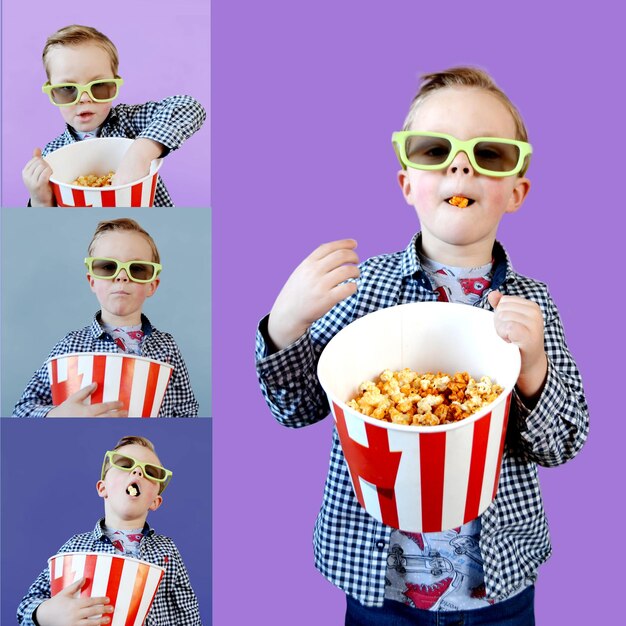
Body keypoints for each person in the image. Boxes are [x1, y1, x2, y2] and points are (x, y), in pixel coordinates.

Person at [255, 67, 589, 624]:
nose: (461, 164)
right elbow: (297, 410)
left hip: (498, 587)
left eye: (491, 154)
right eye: (435, 150)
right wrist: (283, 327)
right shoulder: (360, 290)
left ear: (517, 191)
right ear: (407, 183)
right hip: (378, 584)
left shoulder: (533, 304)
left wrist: (534, 370)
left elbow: (563, 443)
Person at [13, 218, 198, 417]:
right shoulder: (70, 346)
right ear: (92, 281)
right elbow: (23, 410)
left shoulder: (167, 346)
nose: (121, 276)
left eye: (137, 269)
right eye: (108, 267)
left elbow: (187, 411)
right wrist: (58, 415)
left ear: (152, 285)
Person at [16, 435, 202, 625]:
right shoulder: (75, 546)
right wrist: (46, 614)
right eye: (125, 464)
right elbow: (28, 605)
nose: (137, 472)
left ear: (155, 501)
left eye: (151, 472)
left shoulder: (166, 550)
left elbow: (187, 611)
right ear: (102, 488)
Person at [22, 25, 206, 207]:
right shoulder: (52, 156)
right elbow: (49, 224)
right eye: (67, 89)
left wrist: (140, 153)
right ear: (52, 93)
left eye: (99, 86)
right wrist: (41, 200)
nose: (84, 99)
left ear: (115, 85)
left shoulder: (131, 122)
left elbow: (189, 107)